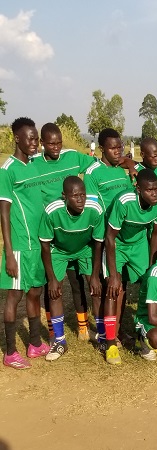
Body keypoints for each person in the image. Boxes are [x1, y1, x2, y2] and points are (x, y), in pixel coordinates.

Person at [33, 122, 99, 340]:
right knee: (52, 285)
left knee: (77, 282)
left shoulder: (72, 157)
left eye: (59, 142)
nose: (56, 147)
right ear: (42, 143)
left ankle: (82, 327)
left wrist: (131, 164)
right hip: (53, 231)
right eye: (51, 143)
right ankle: (54, 333)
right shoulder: (33, 164)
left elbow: (99, 165)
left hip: (77, 229)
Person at [103, 168, 157, 364]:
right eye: (149, 190)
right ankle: (110, 343)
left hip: (139, 244)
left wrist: (150, 268)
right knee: (114, 290)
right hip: (117, 244)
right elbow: (109, 237)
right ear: (138, 189)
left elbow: (155, 234)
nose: (154, 194)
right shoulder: (124, 201)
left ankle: (144, 335)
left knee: (150, 285)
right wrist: (113, 273)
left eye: (156, 189)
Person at [0, 117, 48, 369]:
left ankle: (35, 344)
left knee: (34, 292)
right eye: (30, 138)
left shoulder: (33, 165)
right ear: (16, 138)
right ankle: (9, 353)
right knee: (14, 296)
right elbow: (4, 213)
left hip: (36, 246)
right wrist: (9, 253)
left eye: (36, 138)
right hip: (19, 245)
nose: (34, 143)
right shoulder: (7, 170)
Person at [39, 177, 105, 360]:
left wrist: (94, 275)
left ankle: (102, 336)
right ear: (64, 196)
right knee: (55, 292)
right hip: (59, 251)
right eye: (75, 195)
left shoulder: (95, 209)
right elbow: (45, 245)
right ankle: (60, 341)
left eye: (82, 194)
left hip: (85, 249)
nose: (80, 199)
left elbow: (98, 243)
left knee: (96, 290)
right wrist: (52, 278)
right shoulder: (52, 211)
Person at [84, 128, 135, 214]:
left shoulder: (122, 169)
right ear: (101, 148)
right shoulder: (92, 173)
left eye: (119, 147)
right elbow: (92, 208)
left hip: (123, 225)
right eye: (113, 148)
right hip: (105, 226)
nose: (118, 152)